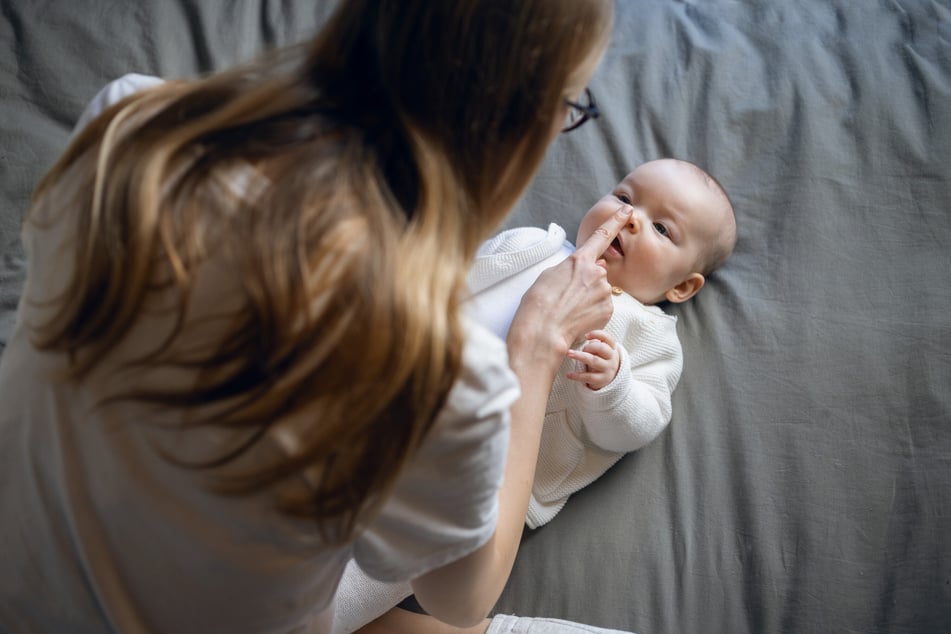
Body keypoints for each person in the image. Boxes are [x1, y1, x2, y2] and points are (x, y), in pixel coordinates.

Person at [0, 2, 622, 633]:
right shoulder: (441, 374)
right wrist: (536, 346)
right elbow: (463, 599)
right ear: (516, 123)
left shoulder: (131, 120)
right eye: (570, 107)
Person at [331, 158, 736, 633]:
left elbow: (639, 424)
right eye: (624, 198)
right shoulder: (536, 247)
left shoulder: (648, 337)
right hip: (392, 403)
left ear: (683, 286)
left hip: (469, 483)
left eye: (662, 229)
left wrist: (613, 383)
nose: (629, 218)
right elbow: (455, 280)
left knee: (360, 579)